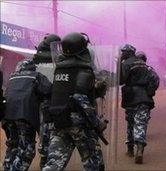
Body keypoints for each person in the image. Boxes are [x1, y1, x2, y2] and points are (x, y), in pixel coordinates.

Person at [42, 32, 106, 171]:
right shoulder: (84, 69)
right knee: (93, 161)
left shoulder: (59, 69)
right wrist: (97, 123)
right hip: (79, 123)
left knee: (54, 163)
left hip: (59, 120)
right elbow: (80, 98)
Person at [2, 59, 52, 170]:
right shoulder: (36, 76)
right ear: (33, 68)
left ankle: (7, 168)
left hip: (7, 116)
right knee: (26, 150)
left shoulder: (12, 77)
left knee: (13, 145)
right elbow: (48, 90)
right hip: (24, 116)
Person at [120, 45, 156, 164]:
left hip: (131, 97)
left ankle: (130, 149)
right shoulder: (144, 64)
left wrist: (119, 63)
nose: (121, 54)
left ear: (128, 52)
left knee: (130, 123)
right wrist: (151, 90)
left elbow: (121, 80)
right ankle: (139, 150)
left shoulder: (126, 64)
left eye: (123, 52)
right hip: (144, 97)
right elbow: (154, 79)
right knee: (141, 124)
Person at [33, 33, 61, 169]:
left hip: (42, 101)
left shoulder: (38, 58)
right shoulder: (57, 60)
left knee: (44, 130)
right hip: (54, 99)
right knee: (53, 131)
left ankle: (44, 158)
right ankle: (50, 159)